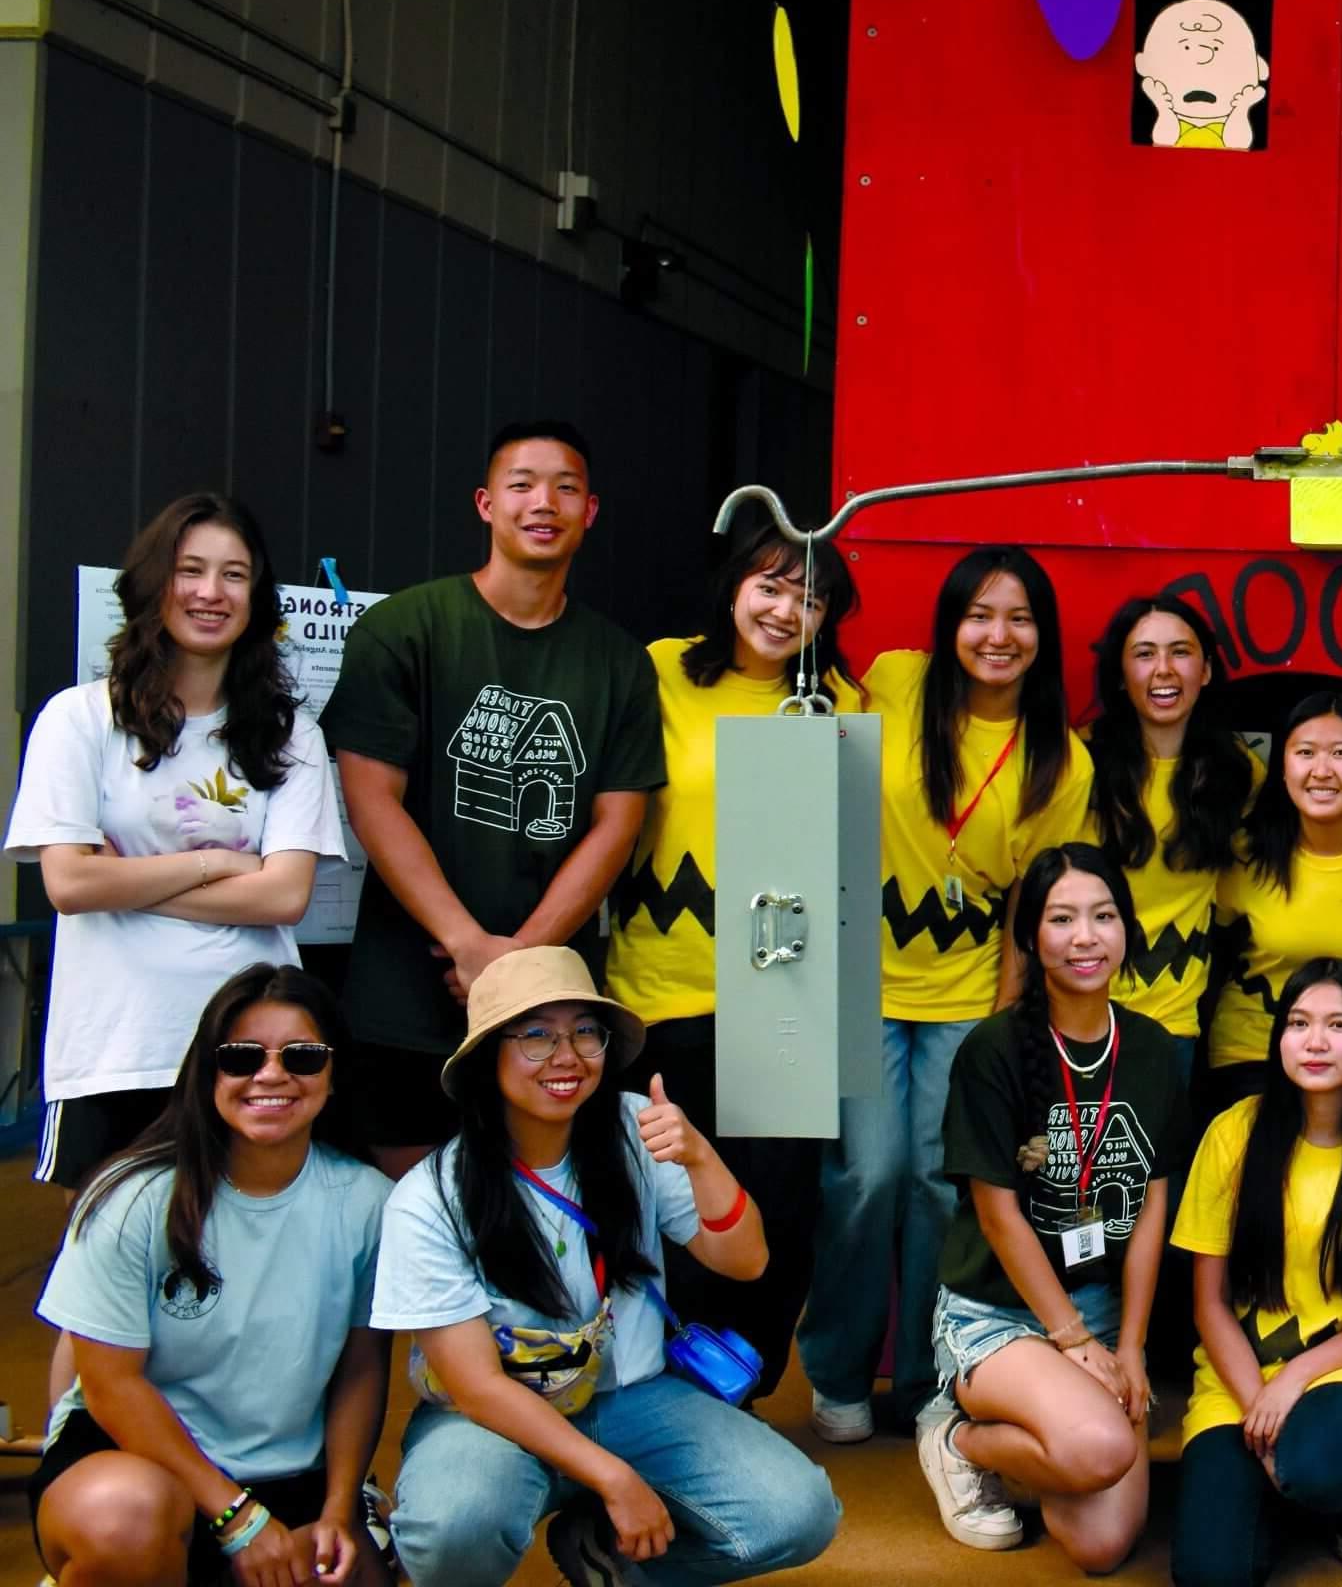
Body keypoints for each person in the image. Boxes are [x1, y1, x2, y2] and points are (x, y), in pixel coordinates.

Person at [371, 947, 840, 1587]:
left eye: (583, 1032)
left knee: (800, 1513)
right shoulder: (431, 1196)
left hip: (634, 1396)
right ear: (487, 1057)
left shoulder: (630, 1128)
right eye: (536, 1036)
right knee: (451, 1532)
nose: (565, 1056)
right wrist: (614, 1477)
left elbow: (747, 1262)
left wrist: (701, 1158)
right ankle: (593, 1492)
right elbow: (477, 1388)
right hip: (493, 1416)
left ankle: (606, 1557)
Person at [805, 543, 1093, 1442]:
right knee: (868, 1174)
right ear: (950, 624)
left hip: (968, 993)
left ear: (1042, 637)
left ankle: (931, 1374)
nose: (996, 636)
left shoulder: (1061, 760)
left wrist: (1010, 1020)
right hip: (856, 982)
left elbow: (1027, 906)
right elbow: (808, 754)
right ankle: (841, 1370)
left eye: (1018, 619)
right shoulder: (895, 682)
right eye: (980, 615)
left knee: (941, 1184)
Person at [324, 421, 663, 1173]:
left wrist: (517, 960)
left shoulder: (619, 663)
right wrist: (468, 943)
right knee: (404, 1206)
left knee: (539, 1197)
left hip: (553, 1004)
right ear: (485, 504)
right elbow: (370, 796)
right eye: (521, 484)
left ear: (591, 511)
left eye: (566, 488)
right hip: (408, 983)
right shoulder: (403, 629)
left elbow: (618, 822)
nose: (543, 503)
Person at [9, 494, 342, 1193]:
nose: (210, 593)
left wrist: (126, 881)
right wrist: (216, 864)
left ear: (257, 596)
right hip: (115, 1046)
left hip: (252, 1054)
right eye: (191, 570)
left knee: (241, 1263)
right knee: (114, 1268)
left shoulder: (291, 734)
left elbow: (285, 895)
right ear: (155, 582)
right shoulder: (79, 720)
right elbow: (69, 885)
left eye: (234, 574)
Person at [606, 505, 864, 1403]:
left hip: (791, 995)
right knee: (669, 1198)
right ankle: (658, 1383)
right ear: (733, 588)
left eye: (813, 599)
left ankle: (741, 1383)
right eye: (771, 587)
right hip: (662, 989)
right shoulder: (658, 672)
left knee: (782, 1208)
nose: (788, 611)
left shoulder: (847, 702)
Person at [34, 965, 393, 1587]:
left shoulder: (368, 1202)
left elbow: (362, 1368)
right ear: (207, 1073)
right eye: (241, 1056)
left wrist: (338, 1509)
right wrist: (238, 1518)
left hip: (289, 1477)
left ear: (333, 1077)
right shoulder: (132, 1197)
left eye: (303, 1056)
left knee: (357, 1567)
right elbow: (110, 1384)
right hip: (137, 1462)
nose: (272, 1074)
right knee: (125, 1522)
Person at [918, 844, 1193, 1568]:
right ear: (1031, 937)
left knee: (1100, 1544)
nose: (1084, 937)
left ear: (1127, 929)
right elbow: (999, 1216)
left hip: (1100, 1311)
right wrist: (1071, 1340)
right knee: (1099, 1446)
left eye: (1103, 917)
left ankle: (1052, 1434)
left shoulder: (1156, 1049)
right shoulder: (994, 1049)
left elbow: (1152, 1209)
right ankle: (957, 1437)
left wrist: (1129, 1345)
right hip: (999, 1314)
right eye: (1062, 918)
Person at [1170, 959, 1342, 1584]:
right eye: (1298, 1023)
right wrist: (1259, 1405)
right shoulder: (1232, 1134)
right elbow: (1209, 1304)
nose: (1315, 1041)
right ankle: (1282, 1485)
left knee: (1319, 1469)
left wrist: (1294, 1378)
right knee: (1210, 1574)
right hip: (1236, 1377)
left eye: (1337, 1025)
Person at [1209, 693, 1342, 1125]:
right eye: (1305, 753)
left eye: (1341, 753)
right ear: (1282, 768)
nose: (1322, 771)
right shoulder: (1243, 854)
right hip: (1253, 1050)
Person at [1084, 594, 1260, 1095]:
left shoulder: (1237, 771)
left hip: (1173, 1023)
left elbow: (1237, 897)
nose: (1164, 669)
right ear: (1120, 674)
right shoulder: (1079, 765)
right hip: (1077, 1014)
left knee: (1152, 1167)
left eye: (1180, 652)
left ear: (1205, 670)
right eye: (1144, 654)